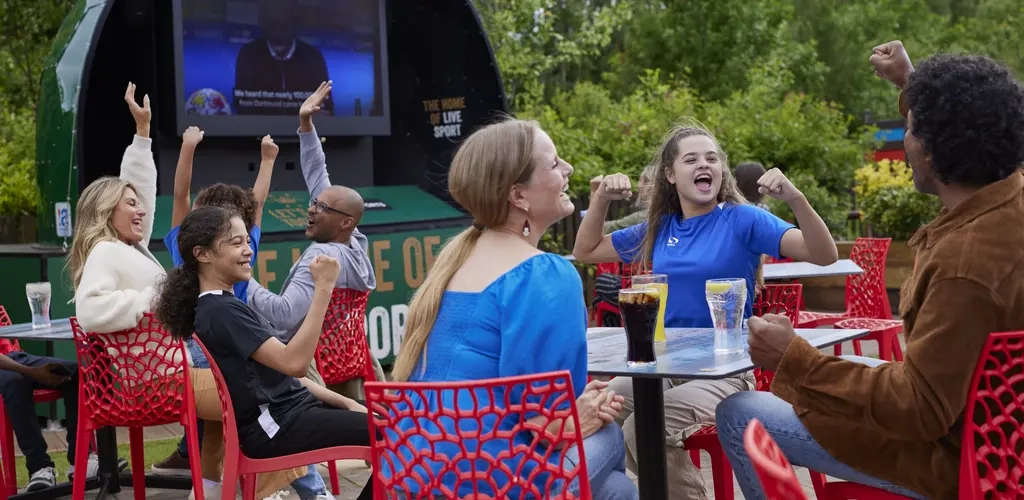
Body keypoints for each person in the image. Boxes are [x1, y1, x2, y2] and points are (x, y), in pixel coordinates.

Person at [715, 43, 1024, 500]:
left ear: (935, 149)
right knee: (854, 367)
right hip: (998, 432)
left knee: (740, 411)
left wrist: (794, 360)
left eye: (911, 128)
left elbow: (920, 408)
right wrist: (913, 85)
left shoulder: (963, 267)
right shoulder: (1008, 203)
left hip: (957, 463)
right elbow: (971, 120)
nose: (904, 143)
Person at [573, 121, 838, 499]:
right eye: (692, 159)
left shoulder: (742, 218)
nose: (704, 164)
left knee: (642, 426)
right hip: (665, 365)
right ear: (670, 175)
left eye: (712, 158)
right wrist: (600, 198)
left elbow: (823, 254)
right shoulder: (660, 228)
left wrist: (795, 198)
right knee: (602, 405)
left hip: (726, 369)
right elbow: (586, 250)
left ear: (722, 171)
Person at [386, 118, 637, 500]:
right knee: (610, 434)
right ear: (518, 196)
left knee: (615, 489)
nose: (568, 169)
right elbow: (546, 424)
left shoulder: (453, 264)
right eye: (554, 163)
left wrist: (576, 412)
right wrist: (584, 412)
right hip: (492, 479)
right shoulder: (543, 274)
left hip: (418, 471)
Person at [154, 206, 373, 500]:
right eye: (236, 243)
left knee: (404, 422)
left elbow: (284, 373)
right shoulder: (220, 311)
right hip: (278, 427)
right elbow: (295, 364)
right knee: (403, 435)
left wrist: (347, 402)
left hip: (294, 414)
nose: (248, 250)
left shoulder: (223, 306)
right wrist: (323, 287)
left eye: (247, 241)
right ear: (202, 254)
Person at [148, 129, 308, 500]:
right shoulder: (234, 245)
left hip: (208, 346)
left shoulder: (193, 246)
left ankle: (216, 487)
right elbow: (258, 200)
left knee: (222, 427)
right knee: (272, 407)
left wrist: (188, 147)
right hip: (226, 349)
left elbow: (181, 195)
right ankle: (292, 489)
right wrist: (267, 160)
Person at [247, 81, 385, 393]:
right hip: (344, 362)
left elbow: (283, 316)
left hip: (305, 369)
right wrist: (306, 124)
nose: (311, 209)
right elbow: (318, 176)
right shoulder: (354, 242)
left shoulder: (321, 258)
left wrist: (243, 280)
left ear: (345, 222)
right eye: (314, 203)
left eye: (321, 207)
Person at [64, 82, 165, 491]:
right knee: (255, 384)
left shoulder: (129, 248)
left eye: (139, 204)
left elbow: (141, 194)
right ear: (108, 212)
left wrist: (142, 135)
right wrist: (155, 299)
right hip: (155, 378)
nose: (141, 211)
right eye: (130, 204)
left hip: (169, 368)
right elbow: (89, 310)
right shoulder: (106, 251)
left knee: (272, 377)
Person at [234, 0, 331, 116]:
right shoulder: (248, 54)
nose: (280, 21)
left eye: (284, 24)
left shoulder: (313, 57)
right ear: (262, 21)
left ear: (295, 21)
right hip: (261, 127)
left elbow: (326, 107)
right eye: (274, 23)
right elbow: (243, 105)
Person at [590, 165, 656, 326]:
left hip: (642, 286)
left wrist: (596, 194)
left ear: (650, 185)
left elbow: (595, 231)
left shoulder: (641, 219)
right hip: (655, 285)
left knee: (603, 285)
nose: (639, 186)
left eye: (641, 182)